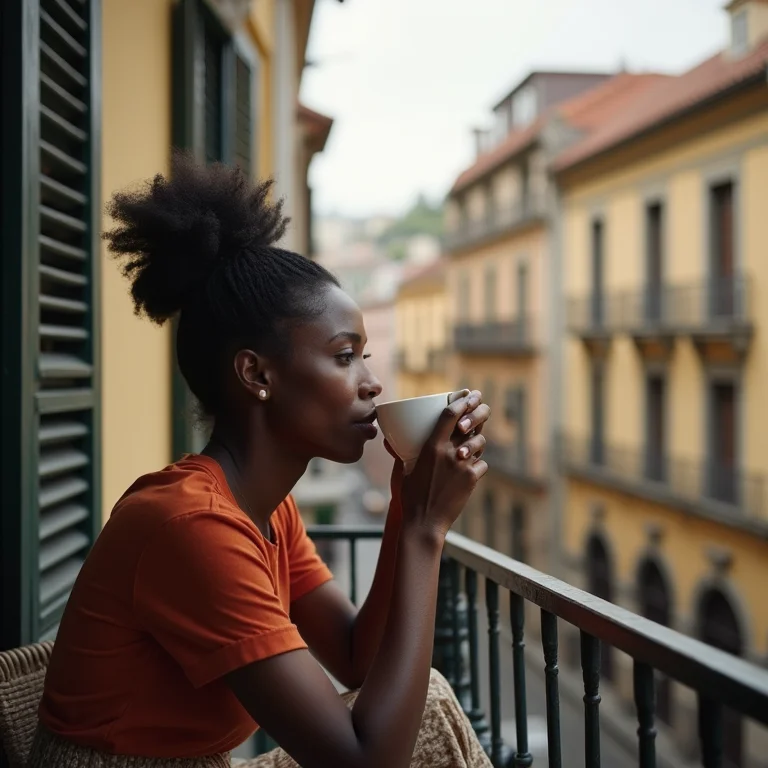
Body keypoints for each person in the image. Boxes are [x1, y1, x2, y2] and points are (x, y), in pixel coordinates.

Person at [30, 155, 492, 768]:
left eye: (365, 356)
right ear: (256, 374)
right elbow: (365, 762)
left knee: (428, 707)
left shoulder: (266, 512)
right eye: (344, 355)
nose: (372, 383)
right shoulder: (192, 527)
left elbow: (355, 656)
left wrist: (409, 504)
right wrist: (427, 534)